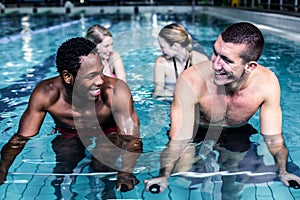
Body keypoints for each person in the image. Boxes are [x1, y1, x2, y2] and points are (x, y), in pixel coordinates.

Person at [144, 22, 300, 193]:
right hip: (197, 130)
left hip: (235, 131)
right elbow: (179, 138)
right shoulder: (192, 81)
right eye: (215, 53)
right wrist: (164, 175)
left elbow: (273, 137)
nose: (215, 64)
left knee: (233, 179)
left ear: (250, 66)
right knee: (185, 176)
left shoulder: (266, 84)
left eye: (226, 59)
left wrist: (283, 171)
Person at [0, 37, 142, 193]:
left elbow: (132, 139)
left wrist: (127, 170)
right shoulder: (46, 95)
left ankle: (107, 193)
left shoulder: (115, 91)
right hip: (70, 132)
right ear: (67, 76)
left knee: (103, 165)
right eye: (91, 76)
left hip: (108, 131)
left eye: (100, 72)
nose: (101, 81)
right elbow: (20, 139)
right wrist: (2, 169)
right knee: (64, 166)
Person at [152, 23, 208, 98]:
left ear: (175, 46)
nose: (160, 50)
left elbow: (207, 91)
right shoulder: (161, 62)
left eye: (163, 47)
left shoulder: (201, 60)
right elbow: (158, 92)